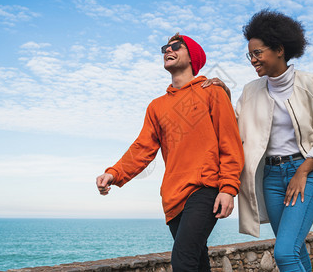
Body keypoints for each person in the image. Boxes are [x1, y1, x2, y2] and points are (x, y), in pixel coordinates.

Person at [202, 10, 313, 272]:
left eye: (257, 53)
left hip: (306, 172)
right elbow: (235, 124)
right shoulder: (250, 91)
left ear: (279, 49)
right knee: (296, 250)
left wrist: (303, 170)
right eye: (250, 55)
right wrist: (225, 94)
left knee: (285, 252)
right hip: (271, 178)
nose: (253, 60)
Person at [96, 33, 244, 272]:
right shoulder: (156, 106)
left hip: (206, 188)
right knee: (197, 260)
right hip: (173, 196)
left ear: (192, 57)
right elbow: (143, 148)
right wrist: (113, 174)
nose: (168, 50)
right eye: (165, 47)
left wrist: (228, 188)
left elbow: (230, 144)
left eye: (176, 46)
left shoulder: (212, 92)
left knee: (183, 260)